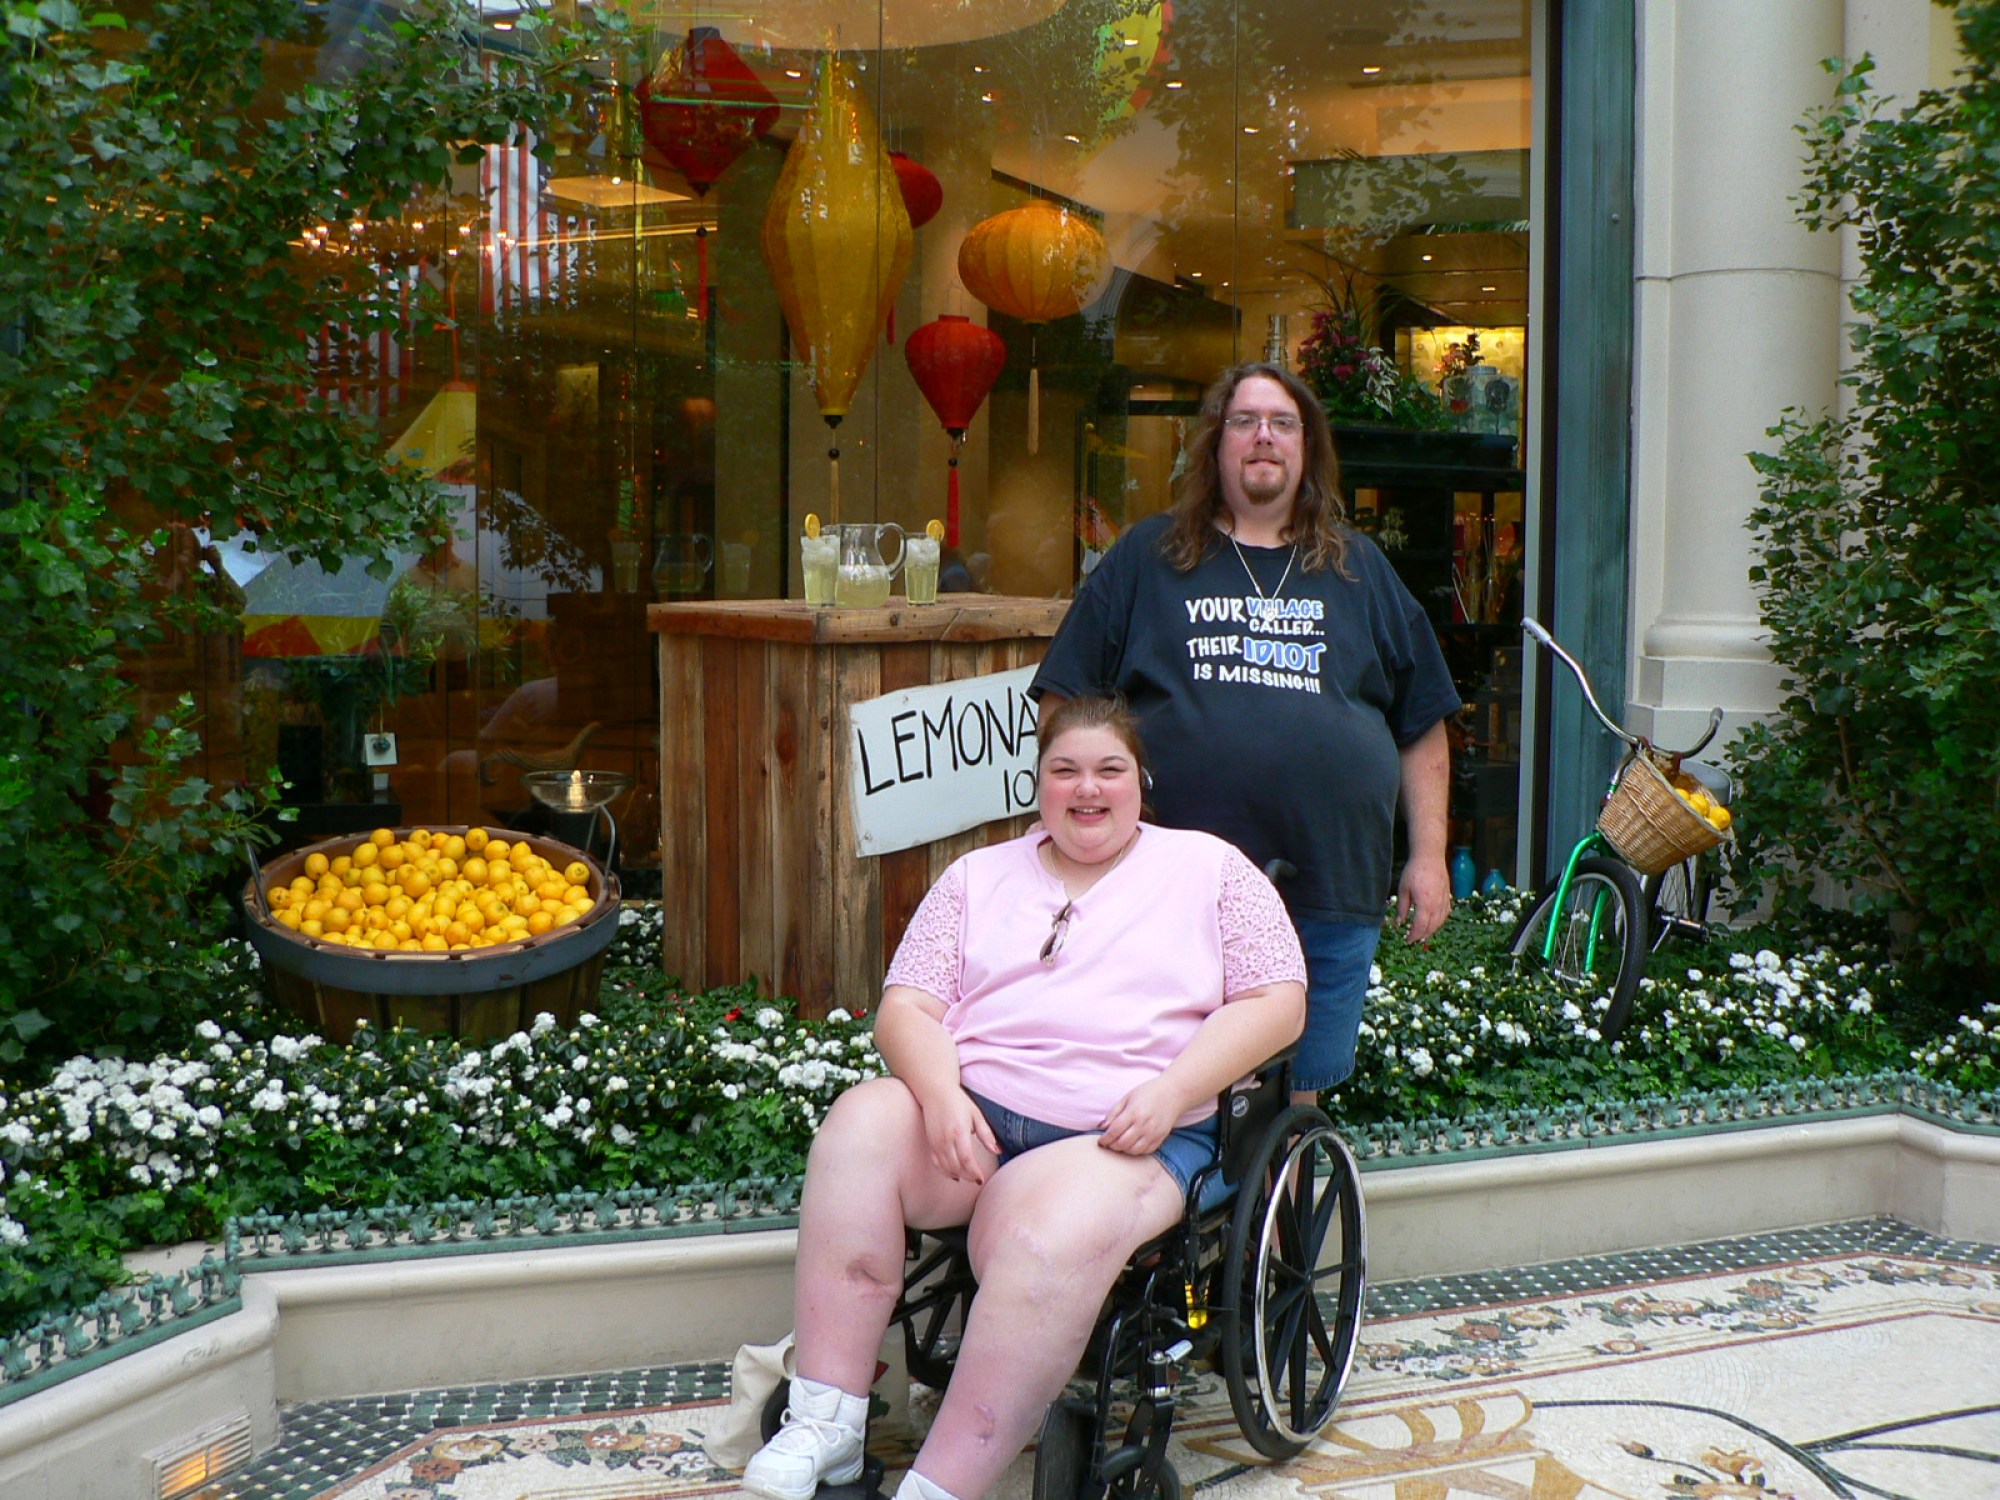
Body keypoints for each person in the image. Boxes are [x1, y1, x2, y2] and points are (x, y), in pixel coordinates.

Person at [742, 696, 1306, 1500]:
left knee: (1045, 1236)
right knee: (860, 1125)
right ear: (1037, 783)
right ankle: (825, 1423)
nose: (1088, 788)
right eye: (1065, 770)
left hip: (1126, 1136)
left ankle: (941, 1485)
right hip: (978, 1123)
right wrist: (940, 1097)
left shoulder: (1210, 868)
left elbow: (1279, 1002)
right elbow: (906, 1009)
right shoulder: (977, 877)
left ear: (1141, 781)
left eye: (1109, 770)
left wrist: (1175, 1088)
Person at [1030, 361, 1461, 1106]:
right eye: (1245, 421)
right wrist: (1078, 827)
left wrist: (1427, 857)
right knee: (1171, 1094)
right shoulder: (1149, 556)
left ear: (1306, 447)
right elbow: (1064, 702)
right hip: (1172, 894)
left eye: (1283, 423)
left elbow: (1421, 720)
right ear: (1216, 443)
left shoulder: (1359, 567)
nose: (1264, 436)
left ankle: (1285, 1186)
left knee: (1298, 1100)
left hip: (1331, 883)